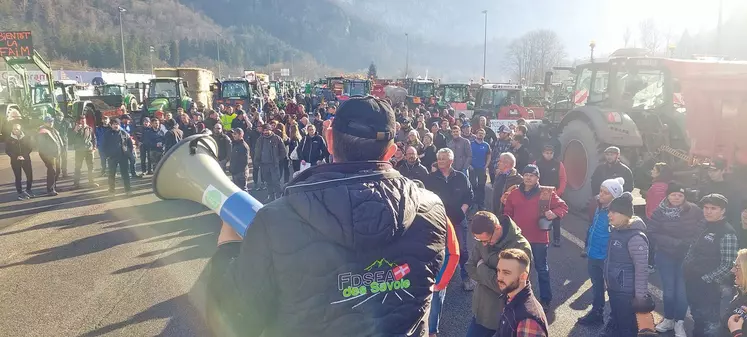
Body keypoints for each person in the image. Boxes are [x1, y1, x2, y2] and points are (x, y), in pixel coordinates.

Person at [204, 95, 458, 337]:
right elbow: (428, 279)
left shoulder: (275, 219)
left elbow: (236, 319)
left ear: (329, 139)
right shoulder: (432, 207)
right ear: (391, 151)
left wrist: (227, 248)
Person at [503, 164, 569, 308]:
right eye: (526, 174)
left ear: (537, 178)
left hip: (538, 238)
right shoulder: (514, 193)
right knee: (518, 269)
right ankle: (518, 297)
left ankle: (545, 300)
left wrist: (555, 213)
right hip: (518, 238)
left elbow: (563, 207)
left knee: (542, 269)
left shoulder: (546, 193)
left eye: (531, 175)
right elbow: (507, 212)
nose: (528, 177)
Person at [648, 182, 704, 337]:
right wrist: (674, 243)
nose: (677, 198)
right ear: (668, 196)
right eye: (673, 194)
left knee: (682, 291)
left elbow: (702, 226)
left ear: (684, 196)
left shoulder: (694, 210)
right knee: (669, 290)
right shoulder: (660, 211)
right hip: (665, 255)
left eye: (680, 195)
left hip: (686, 256)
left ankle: (679, 322)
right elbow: (652, 232)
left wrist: (691, 242)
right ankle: (668, 319)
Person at [465, 212, 532, 336]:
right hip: (481, 310)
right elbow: (469, 266)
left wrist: (481, 268)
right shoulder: (484, 237)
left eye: (487, 240)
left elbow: (510, 287)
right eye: (479, 240)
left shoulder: (520, 247)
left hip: (501, 315)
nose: (483, 244)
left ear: (498, 228)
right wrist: (492, 277)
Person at [684, 193, 739, 337]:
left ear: (723, 211)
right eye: (706, 207)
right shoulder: (704, 225)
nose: (708, 211)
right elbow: (693, 248)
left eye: (713, 208)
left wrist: (707, 279)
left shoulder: (727, 233)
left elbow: (729, 264)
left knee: (711, 326)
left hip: (711, 288)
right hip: (693, 283)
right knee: (698, 319)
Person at [604, 192, 655, 337]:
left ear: (625, 215)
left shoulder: (635, 237)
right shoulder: (616, 231)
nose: (610, 215)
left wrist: (640, 297)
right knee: (619, 323)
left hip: (627, 293)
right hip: (615, 289)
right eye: (609, 211)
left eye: (614, 212)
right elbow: (610, 261)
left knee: (628, 328)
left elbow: (641, 270)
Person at [577, 177, 626, 325]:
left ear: (615, 196)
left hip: (606, 257)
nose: (601, 195)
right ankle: (597, 313)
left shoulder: (617, 213)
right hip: (594, 254)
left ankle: (616, 320)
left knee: (613, 290)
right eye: (601, 191)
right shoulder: (600, 206)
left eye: (606, 193)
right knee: (597, 286)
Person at [427, 147, 474, 291]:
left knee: (462, 250)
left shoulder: (461, 177)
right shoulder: (431, 178)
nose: (440, 161)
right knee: (437, 249)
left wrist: (463, 210)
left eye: (443, 158)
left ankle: (466, 277)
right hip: (438, 221)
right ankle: (440, 277)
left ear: (451, 161)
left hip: (458, 220)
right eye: (439, 158)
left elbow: (469, 195)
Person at [496, 248, 549, 337]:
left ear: (523, 276)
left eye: (506, 273)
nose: (499, 278)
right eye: (498, 271)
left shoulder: (527, 321)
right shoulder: (511, 296)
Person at [534, 144, 567, 247]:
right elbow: (533, 177)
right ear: (543, 153)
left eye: (550, 153)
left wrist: (558, 193)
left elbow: (563, 179)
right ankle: (538, 236)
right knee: (538, 216)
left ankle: (557, 238)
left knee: (556, 217)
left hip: (554, 195)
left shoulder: (558, 164)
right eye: (546, 153)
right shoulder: (537, 163)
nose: (548, 155)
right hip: (540, 194)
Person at [253, 124, 287, 201]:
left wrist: (277, 159)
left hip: (274, 165)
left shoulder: (277, 139)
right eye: (264, 130)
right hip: (264, 164)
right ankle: (271, 197)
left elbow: (283, 152)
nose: (265, 132)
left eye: (267, 130)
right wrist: (257, 162)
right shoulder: (260, 139)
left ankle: (279, 198)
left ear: (270, 130)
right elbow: (257, 152)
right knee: (268, 182)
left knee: (276, 182)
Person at [103, 118, 133, 196]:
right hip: (112, 157)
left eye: (117, 124)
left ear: (119, 125)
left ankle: (128, 190)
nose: (115, 126)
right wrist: (107, 155)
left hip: (123, 156)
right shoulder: (107, 134)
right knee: (111, 174)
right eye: (114, 124)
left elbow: (130, 145)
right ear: (111, 125)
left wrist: (129, 153)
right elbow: (103, 146)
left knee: (125, 174)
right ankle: (111, 191)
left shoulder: (124, 133)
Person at [6, 123, 34, 200]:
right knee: (18, 177)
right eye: (14, 129)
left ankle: (29, 190)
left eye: (17, 129)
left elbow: (30, 147)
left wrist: (24, 156)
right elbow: (7, 151)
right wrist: (16, 157)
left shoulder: (26, 137)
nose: (16, 130)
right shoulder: (9, 139)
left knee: (29, 176)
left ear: (20, 129)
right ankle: (20, 193)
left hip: (26, 159)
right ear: (12, 130)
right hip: (15, 161)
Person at [37, 116, 63, 196]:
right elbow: (42, 145)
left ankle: (54, 186)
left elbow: (58, 141)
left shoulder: (53, 130)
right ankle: (50, 189)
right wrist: (48, 155)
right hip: (49, 155)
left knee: (58, 170)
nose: (51, 123)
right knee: (52, 171)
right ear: (45, 122)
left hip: (57, 154)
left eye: (51, 121)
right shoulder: (43, 131)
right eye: (49, 121)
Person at [71, 115, 99, 188]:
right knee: (77, 167)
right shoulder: (76, 129)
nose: (83, 121)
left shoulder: (89, 128)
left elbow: (94, 138)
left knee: (90, 167)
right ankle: (76, 184)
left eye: (84, 119)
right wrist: (75, 130)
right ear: (79, 121)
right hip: (79, 151)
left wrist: (94, 146)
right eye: (81, 120)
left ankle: (91, 182)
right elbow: (71, 139)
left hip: (88, 150)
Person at [724, 248, 747, 337]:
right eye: (734, 265)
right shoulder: (740, 294)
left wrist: (737, 333)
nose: (732, 270)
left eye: (737, 267)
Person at [470, 128, 491, 210]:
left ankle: (481, 204)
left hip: (481, 169)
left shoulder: (486, 145)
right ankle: (472, 204)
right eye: (479, 133)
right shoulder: (471, 144)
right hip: (472, 169)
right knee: (473, 186)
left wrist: (486, 165)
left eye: (482, 133)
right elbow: (467, 154)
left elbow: (489, 155)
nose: (480, 135)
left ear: (484, 135)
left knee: (481, 187)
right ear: (476, 134)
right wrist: (469, 165)